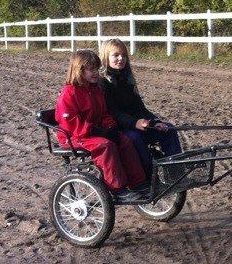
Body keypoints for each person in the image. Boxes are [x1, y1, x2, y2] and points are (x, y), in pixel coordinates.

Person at [56, 49, 148, 202]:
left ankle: (137, 182)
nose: (95, 73)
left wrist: (110, 127)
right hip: (74, 136)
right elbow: (71, 123)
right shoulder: (69, 93)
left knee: (124, 141)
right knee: (106, 146)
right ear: (79, 70)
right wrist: (96, 131)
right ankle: (117, 189)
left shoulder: (96, 90)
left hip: (93, 132)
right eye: (91, 69)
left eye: (97, 69)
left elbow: (104, 113)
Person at [99, 39, 182, 175]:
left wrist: (155, 121)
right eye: (116, 55)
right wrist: (134, 123)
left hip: (136, 124)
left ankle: (175, 173)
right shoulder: (102, 83)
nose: (121, 59)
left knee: (169, 129)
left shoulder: (127, 79)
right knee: (136, 139)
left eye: (124, 55)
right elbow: (113, 112)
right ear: (105, 57)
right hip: (118, 127)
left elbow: (140, 108)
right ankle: (147, 176)